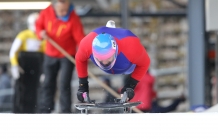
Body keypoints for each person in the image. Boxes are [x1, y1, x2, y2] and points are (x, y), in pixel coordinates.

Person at [75, 20, 150, 103]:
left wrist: (130, 85)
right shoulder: (86, 45)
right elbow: (79, 59)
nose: (105, 62)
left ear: (115, 51)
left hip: (126, 65)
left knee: (132, 66)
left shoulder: (132, 48)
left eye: (108, 58)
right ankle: (110, 29)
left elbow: (145, 63)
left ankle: (111, 29)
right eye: (101, 59)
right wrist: (83, 86)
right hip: (105, 41)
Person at [35, 0, 85, 113]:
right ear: (54, 7)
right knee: (48, 82)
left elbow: (80, 38)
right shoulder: (46, 12)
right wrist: (40, 33)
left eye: (66, 10)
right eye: (61, 10)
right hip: (50, 54)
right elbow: (38, 26)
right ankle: (45, 109)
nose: (64, 13)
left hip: (67, 55)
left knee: (64, 84)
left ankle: (65, 110)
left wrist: (84, 53)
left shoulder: (73, 18)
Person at [9, 12, 45, 113]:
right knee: (20, 90)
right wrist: (15, 66)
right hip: (23, 68)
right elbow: (13, 52)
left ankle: (34, 110)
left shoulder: (42, 37)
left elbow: (46, 54)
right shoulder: (23, 35)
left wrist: (44, 71)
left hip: (37, 68)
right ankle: (18, 110)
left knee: (36, 91)